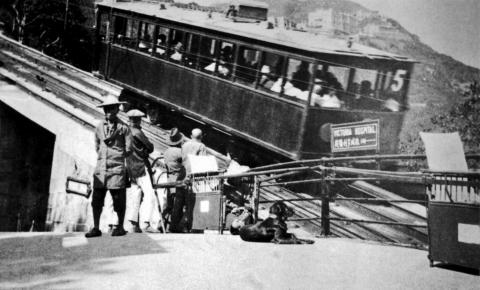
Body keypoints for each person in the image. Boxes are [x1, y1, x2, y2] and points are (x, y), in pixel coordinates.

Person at [86, 95, 132, 238]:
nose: (108, 112)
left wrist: (116, 156)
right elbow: (97, 145)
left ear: (117, 109)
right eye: (106, 109)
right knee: (97, 200)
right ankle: (96, 227)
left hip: (116, 169)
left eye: (111, 109)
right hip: (101, 169)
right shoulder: (99, 127)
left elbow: (129, 149)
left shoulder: (124, 128)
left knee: (119, 200)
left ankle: (120, 227)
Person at [124, 109, 159, 233]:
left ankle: (133, 223)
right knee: (149, 195)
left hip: (130, 167)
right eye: (139, 119)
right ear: (137, 120)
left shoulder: (125, 131)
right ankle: (145, 223)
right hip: (141, 166)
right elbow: (150, 147)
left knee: (135, 194)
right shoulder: (137, 132)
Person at [163, 128, 187, 232]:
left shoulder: (167, 151)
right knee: (178, 203)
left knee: (169, 204)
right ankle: (174, 226)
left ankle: (162, 224)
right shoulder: (179, 152)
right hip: (178, 179)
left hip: (169, 179)